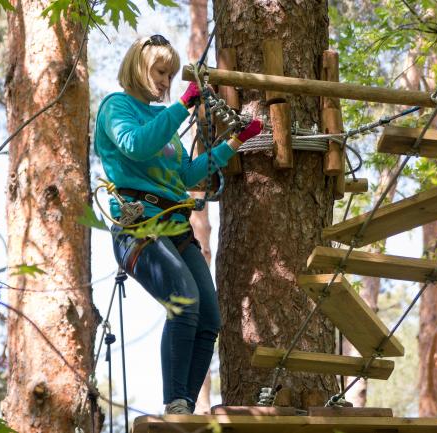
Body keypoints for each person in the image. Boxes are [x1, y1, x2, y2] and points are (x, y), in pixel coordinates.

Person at [94, 35, 262, 415]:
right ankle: (176, 403)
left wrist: (235, 141)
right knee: (184, 302)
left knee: (210, 319)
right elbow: (136, 145)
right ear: (138, 67)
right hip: (139, 226)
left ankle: (183, 400)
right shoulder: (115, 107)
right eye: (159, 71)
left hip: (176, 228)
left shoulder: (164, 121)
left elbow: (187, 173)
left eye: (169, 74)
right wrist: (183, 104)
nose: (164, 81)